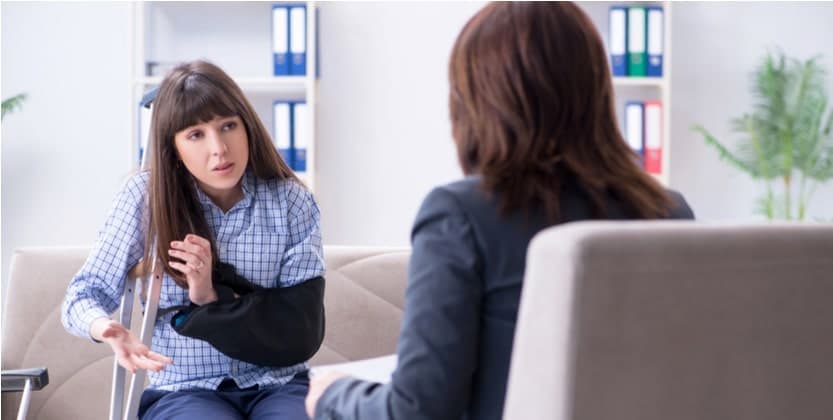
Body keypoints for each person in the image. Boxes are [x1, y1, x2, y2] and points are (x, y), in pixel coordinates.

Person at [305, 2, 694, 419]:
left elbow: (417, 411)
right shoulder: (670, 213)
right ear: (597, 90)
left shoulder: (461, 215)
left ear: (476, 100)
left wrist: (332, 395)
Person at [61, 60, 325, 420]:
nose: (219, 149)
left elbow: (301, 323)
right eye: (195, 134)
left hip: (278, 382)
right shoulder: (144, 198)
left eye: (228, 126)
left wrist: (210, 298)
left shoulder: (291, 201)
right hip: (184, 389)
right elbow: (82, 294)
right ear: (174, 147)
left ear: (247, 126)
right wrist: (106, 329)